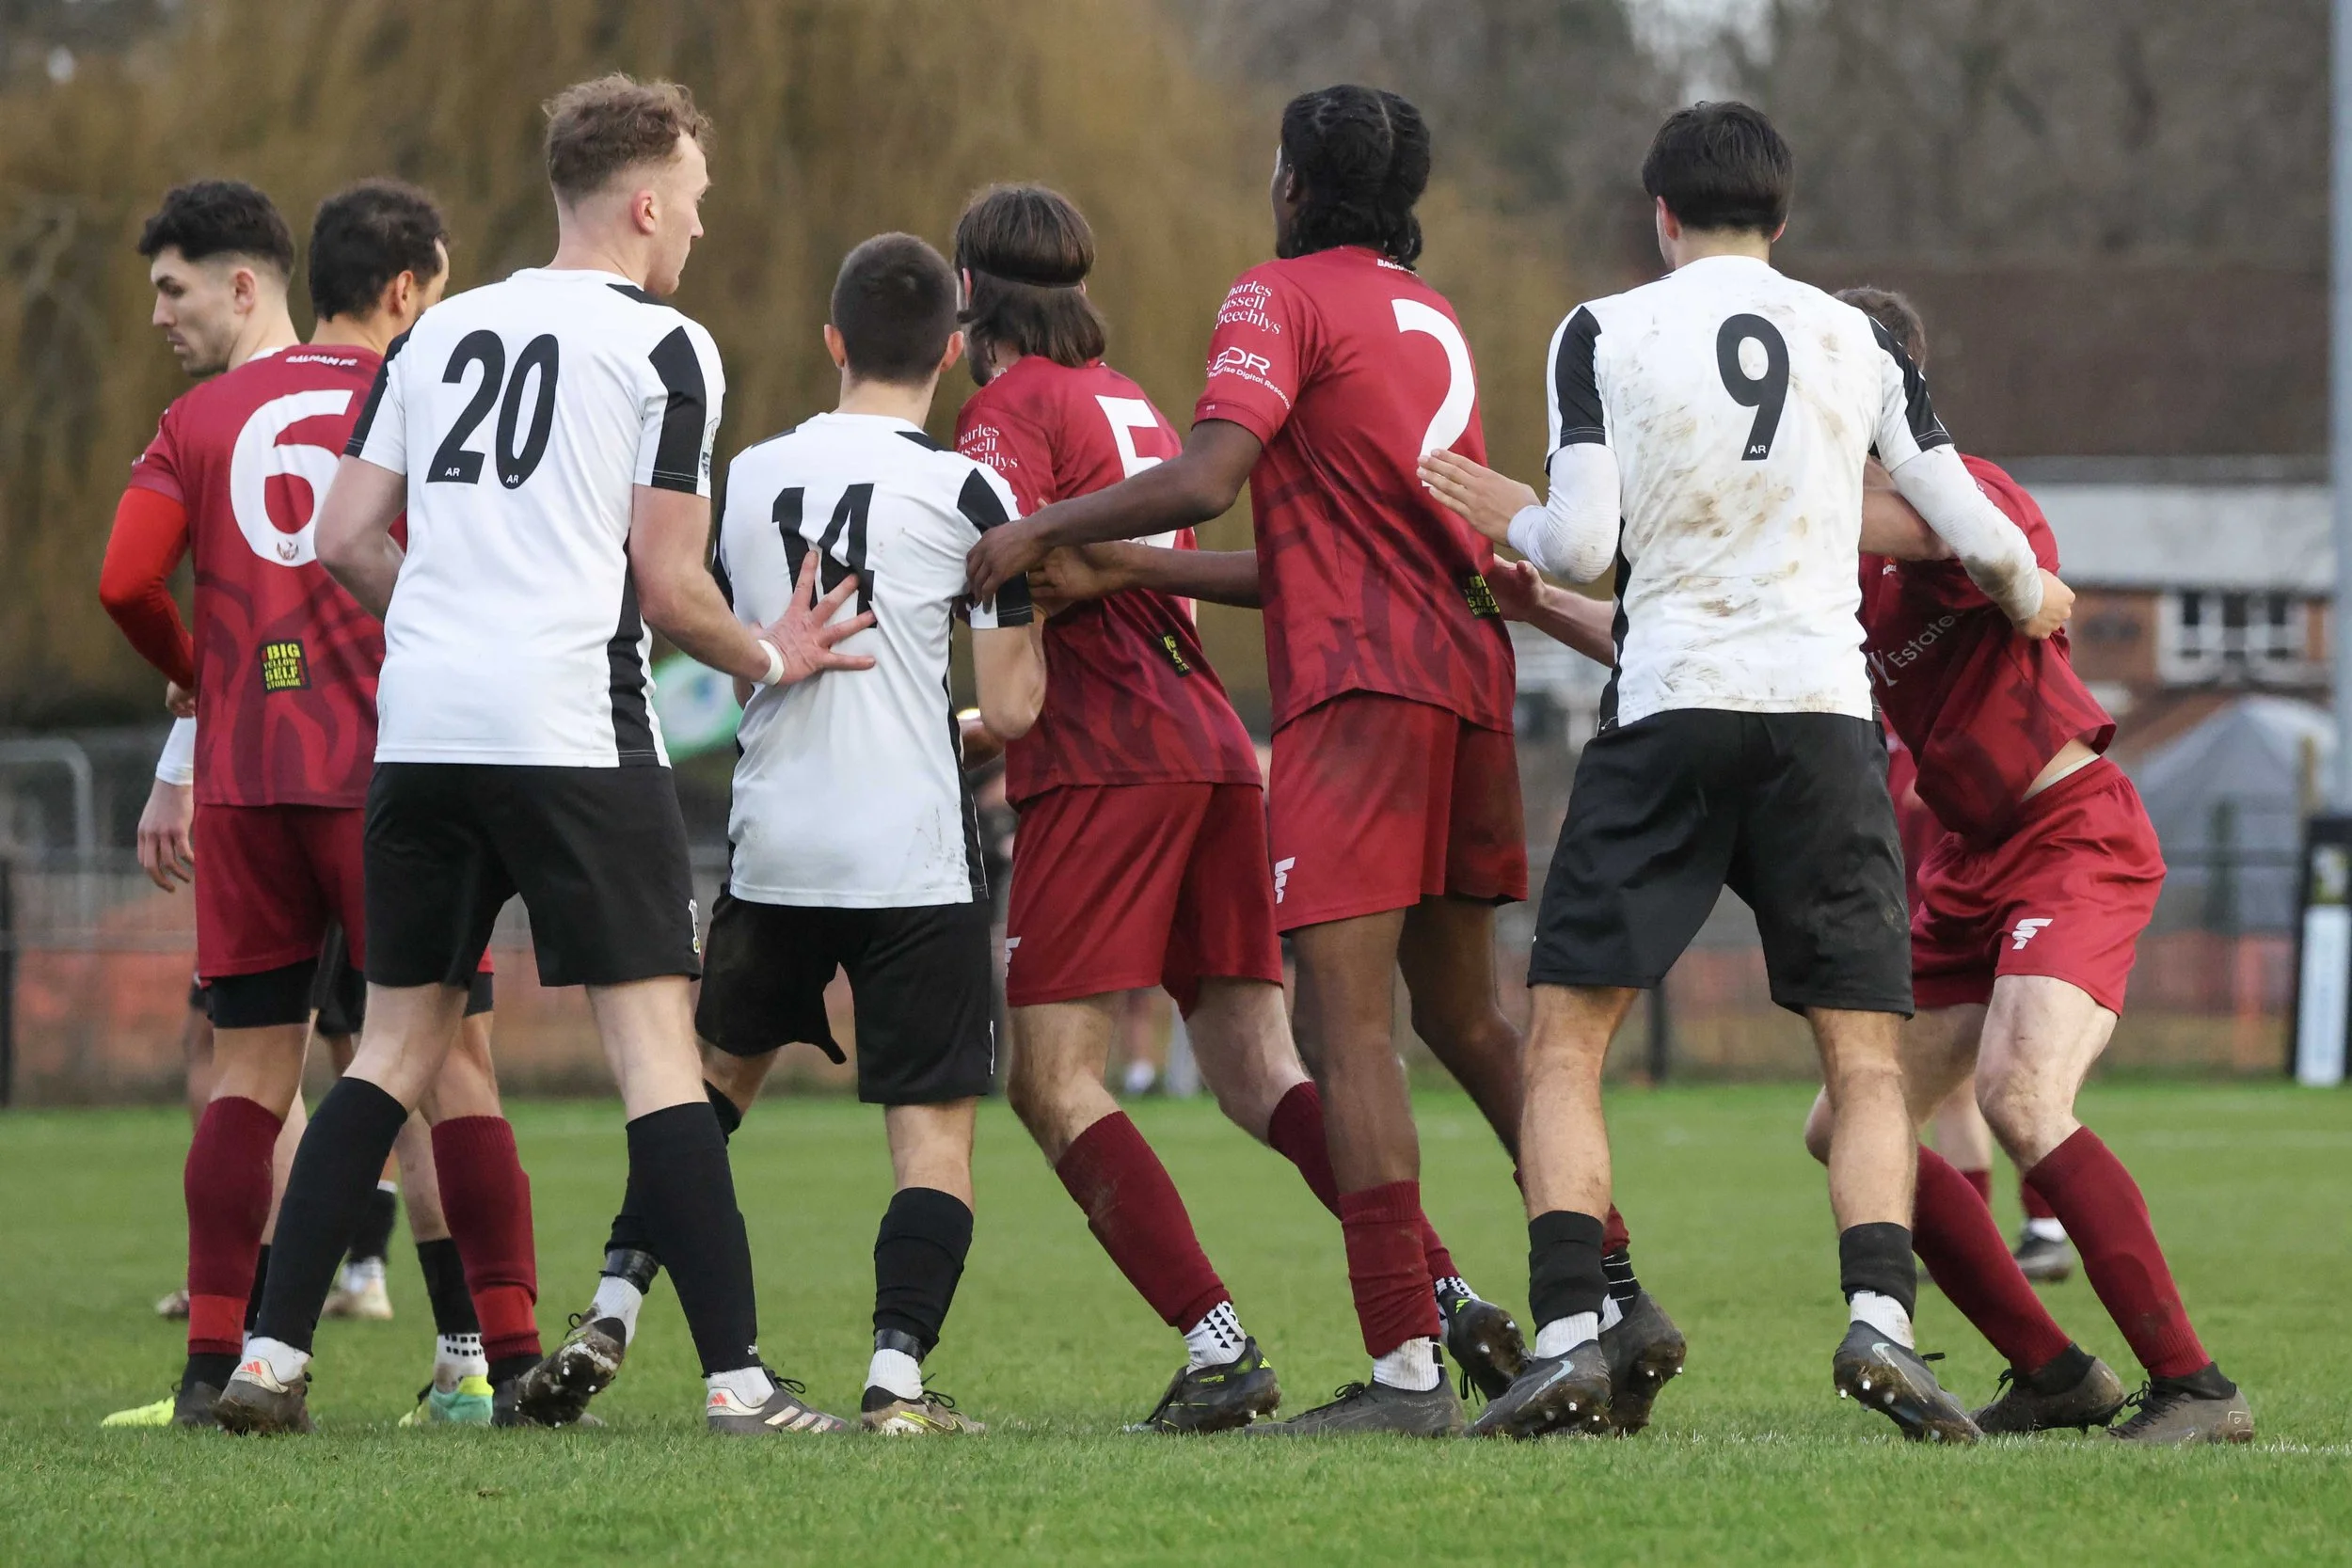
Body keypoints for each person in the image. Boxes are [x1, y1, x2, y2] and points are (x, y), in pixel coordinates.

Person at [968, 87, 1678, 1437]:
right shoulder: (1429, 316)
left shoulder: (1277, 295)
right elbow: (1347, 540)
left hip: (1357, 698)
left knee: (1344, 1032)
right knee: (1469, 1020)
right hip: (1466, 679)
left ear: (1293, 182)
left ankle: (1406, 1369)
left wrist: (1042, 529)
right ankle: (1614, 1295)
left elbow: (1211, 472)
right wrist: (1130, 563)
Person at [213, 75, 869, 1437]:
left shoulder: (438, 327)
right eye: (692, 197)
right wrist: (774, 655)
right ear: (643, 202)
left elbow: (339, 535)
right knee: (653, 1054)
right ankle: (741, 1383)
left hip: (424, 731)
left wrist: (448, 617)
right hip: (572, 729)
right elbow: (672, 584)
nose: (699, 221)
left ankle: (270, 1358)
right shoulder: (668, 346)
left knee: (390, 1047)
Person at [1418, 102, 2068, 1443]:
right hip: (1822, 717)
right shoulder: (1860, 337)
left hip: (1669, 706)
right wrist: (2034, 589)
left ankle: (1565, 1335)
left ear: (1659, 215)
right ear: (1784, 221)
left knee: (1567, 1039)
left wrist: (1511, 517)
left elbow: (1585, 546)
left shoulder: (1603, 327)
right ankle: (1882, 1322)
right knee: (1866, 1055)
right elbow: (1970, 524)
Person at [523, 232, 1041, 1436]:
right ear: (953, 354)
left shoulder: (749, 471)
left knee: (694, 1098)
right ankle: (896, 1382)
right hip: (910, 847)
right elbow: (1015, 709)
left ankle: (610, 1305)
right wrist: (944, 714)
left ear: (831, 341)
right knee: (932, 1136)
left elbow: (700, 619)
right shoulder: (972, 492)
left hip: (776, 843)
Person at [95, 178, 535, 1429]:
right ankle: (495, 1360)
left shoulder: (199, 418)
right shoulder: (418, 396)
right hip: (397, 778)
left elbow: (125, 578)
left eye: (173, 290)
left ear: (253, 283)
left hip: (245, 780)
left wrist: (196, 669)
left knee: (246, 1075)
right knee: (451, 1064)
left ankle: (215, 1365)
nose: (162, 318)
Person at [1796, 287, 2252, 1444]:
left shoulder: (1965, 490)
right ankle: (2050, 1370)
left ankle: (2196, 1387)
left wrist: (1782, 486)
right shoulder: (1832, 550)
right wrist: (1539, 597)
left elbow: (1959, 537)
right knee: (1848, 1117)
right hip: (1964, 858)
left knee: (2017, 1094)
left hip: (2071, 834)